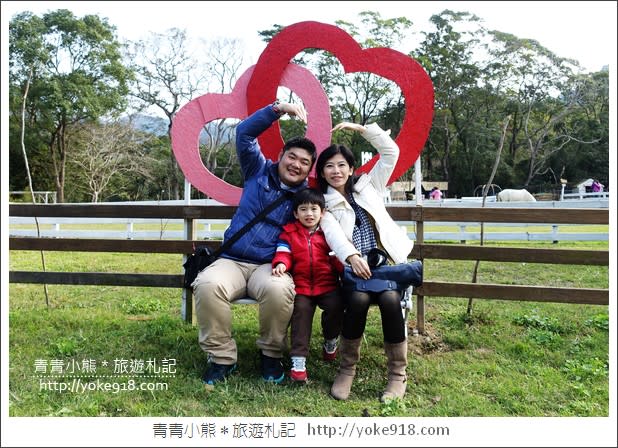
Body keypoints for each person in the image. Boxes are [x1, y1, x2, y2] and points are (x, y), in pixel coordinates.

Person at [193, 101, 317, 386]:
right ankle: (222, 357)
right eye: (292, 157)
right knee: (208, 284)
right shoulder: (257, 170)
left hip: (270, 264)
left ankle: (271, 355)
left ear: (309, 169)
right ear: (281, 155)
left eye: (304, 162)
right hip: (232, 260)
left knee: (279, 289)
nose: (296, 165)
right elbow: (244, 134)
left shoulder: (306, 199)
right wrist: (278, 109)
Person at [316, 121, 415, 402]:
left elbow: (390, 152)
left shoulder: (370, 184)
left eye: (341, 165)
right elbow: (334, 235)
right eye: (329, 167)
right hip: (356, 269)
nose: (336, 171)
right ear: (322, 172)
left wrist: (362, 130)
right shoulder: (324, 203)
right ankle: (347, 369)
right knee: (358, 301)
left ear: (350, 167)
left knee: (389, 300)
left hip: (389, 264)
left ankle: (397, 374)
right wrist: (351, 256)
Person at [271, 188, 344, 383]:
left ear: (323, 212)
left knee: (336, 308)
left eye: (314, 209)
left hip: (328, 285)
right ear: (296, 213)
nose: (309, 214)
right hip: (302, 287)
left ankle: (330, 341)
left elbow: (338, 255)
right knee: (300, 314)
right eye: (303, 209)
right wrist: (281, 264)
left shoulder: (329, 233)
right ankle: (298, 361)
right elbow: (283, 252)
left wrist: (343, 268)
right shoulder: (289, 233)